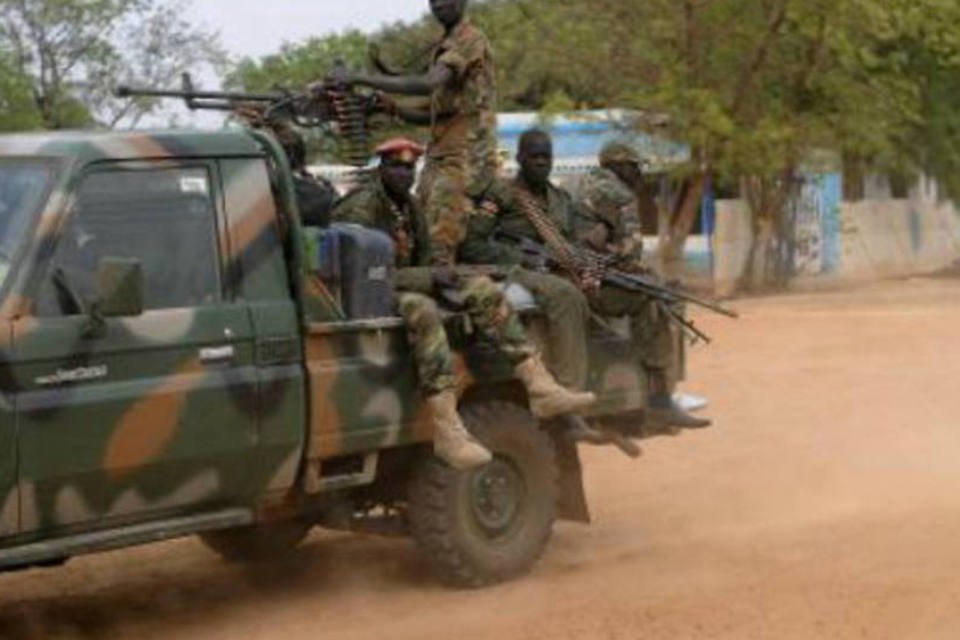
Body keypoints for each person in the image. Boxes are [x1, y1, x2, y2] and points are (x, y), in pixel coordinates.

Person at [331, 138, 596, 469]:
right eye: (395, 167)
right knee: (425, 311)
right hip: (371, 292)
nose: (403, 173)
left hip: (404, 282)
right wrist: (430, 279)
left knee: (482, 289)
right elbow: (365, 273)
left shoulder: (409, 205)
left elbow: (425, 258)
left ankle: (538, 383)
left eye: (409, 167)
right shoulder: (363, 207)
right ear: (381, 168)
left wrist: (443, 276)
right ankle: (447, 432)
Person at [460, 129, 711, 430]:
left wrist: (597, 263)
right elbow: (472, 245)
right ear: (520, 158)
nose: (541, 163)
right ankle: (569, 402)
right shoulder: (501, 194)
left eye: (546, 157)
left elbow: (576, 245)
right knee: (567, 296)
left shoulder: (561, 198)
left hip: (568, 271)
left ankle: (658, 401)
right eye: (534, 157)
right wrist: (523, 257)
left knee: (649, 293)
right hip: (523, 272)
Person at [326, 0, 496, 265]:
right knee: (423, 234)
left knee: (438, 247)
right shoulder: (445, 45)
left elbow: (427, 84)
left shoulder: (468, 39)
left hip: (466, 158)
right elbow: (434, 112)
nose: (440, 4)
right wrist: (392, 107)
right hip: (440, 155)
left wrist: (357, 78)